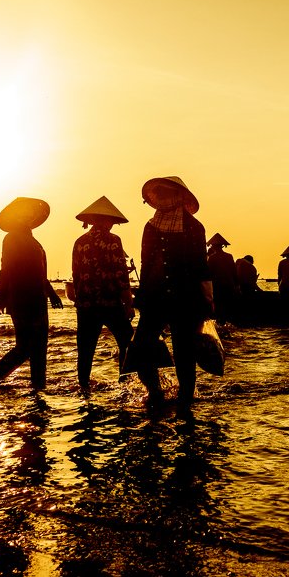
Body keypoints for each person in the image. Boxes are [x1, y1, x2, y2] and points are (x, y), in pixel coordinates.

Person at [132, 176, 213, 410]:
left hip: (185, 299)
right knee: (141, 348)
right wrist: (142, 296)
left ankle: (185, 399)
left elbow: (200, 266)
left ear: (178, 196)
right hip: (156, 297)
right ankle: (155, 392)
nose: (162, 198)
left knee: (184, 351)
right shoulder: (151, 226)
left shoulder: (194, 227)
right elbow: (146, 264)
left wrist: (208, 299)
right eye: (160, 194)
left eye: (166, 193)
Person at [0, 197, 63, 390]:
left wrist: (51, 293)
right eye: (23, 213)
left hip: (38, 299)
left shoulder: (34, 241)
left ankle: (38, 386)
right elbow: (6, 268)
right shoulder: (12, 238)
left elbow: (41, 274)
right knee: (25, 347)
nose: (28, 216)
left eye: (30, 213)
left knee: (38, 348)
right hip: (21, 298)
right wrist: (1, 296)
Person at [71, 196, 135, 393]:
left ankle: (83, 387)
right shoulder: (113, 240)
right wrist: (128, 304)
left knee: (85, 348)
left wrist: (80, 299)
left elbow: (76, 275)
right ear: (106, 220)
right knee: (127, 341)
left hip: (86, 305)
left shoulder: (79, 242)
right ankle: (125, 382)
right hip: (110, 303)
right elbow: (121, 274)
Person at [206, 233, 238, 325]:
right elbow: (234, 272)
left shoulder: (212, 258)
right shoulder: (229, 256)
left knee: (219, 307)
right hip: (229, 285)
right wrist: (237, 285)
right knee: (228, 306)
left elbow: (209, 273)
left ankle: (221, 323)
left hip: (217, 286)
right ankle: (227, 323)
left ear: (214, 246)